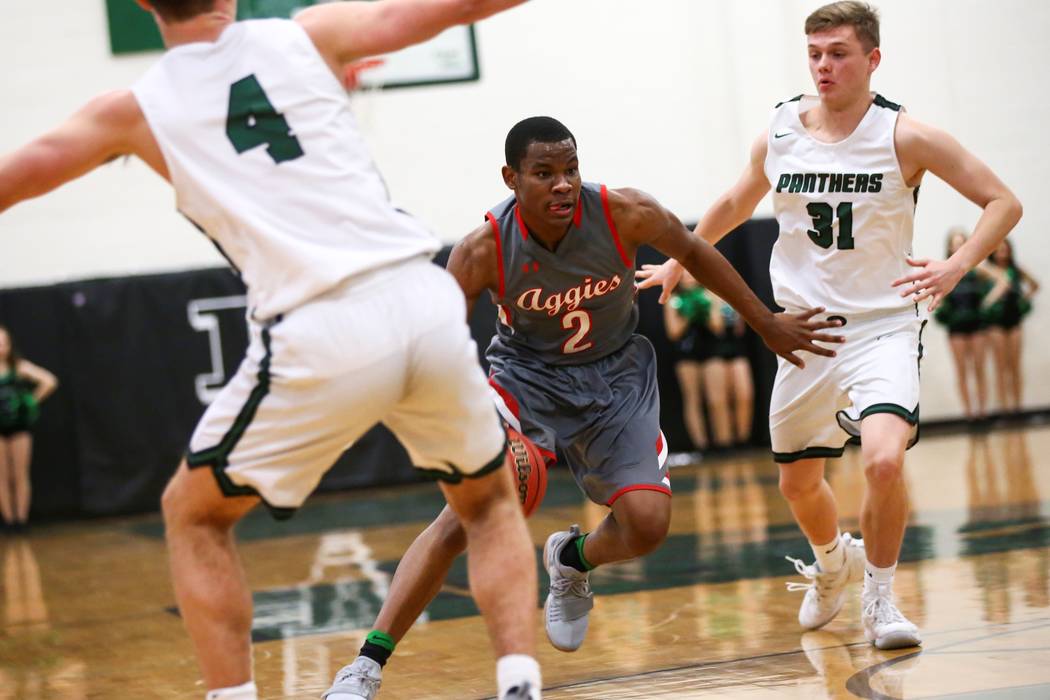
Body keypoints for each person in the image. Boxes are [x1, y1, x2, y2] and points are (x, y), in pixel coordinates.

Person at [0, 2, 545, 699]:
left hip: (319, 322)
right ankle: (519, 684)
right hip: (421, 296)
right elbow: (440, 10)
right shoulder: (309, 34)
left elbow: (17, 176)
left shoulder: (130, 111)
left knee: (194, 515)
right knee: (489, 502)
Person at [324, 115, 845, 699]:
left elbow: (695, 250)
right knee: (476, 511)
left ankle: (571, 558)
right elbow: (439, 339)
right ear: (512, 178)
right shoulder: (482, 249)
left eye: (570, 169)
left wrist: (766, 322)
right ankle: (366, 665)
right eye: (544, 173)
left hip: (615, 378)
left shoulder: (625, 212)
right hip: (525, 380)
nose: (563, 184)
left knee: (648, 526)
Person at [639, 1, 1022, 650]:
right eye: (814, 53)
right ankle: (831, 560)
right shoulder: (781, 128)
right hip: (803, 332)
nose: (824, 65)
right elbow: (737, 200)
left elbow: (1002, 202)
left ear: (872, 59)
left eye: (838, 52)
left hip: (883, 328)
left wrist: (957, 266)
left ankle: (881, 599)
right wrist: (681, 261)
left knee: (880, 462)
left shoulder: (906, 135)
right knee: (798, 483)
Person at [931, 228, 994, 421]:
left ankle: (982, 412)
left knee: (979, 368)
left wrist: (987, 302)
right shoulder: (943, 269)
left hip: (977, 325)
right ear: (949, 246)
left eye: (961, 242)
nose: (958, 246)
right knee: (962, 371)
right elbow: (934, 292)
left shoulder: (977, 268)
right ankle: (969, 414)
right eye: (955, 242)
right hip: (956, 327)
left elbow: (1002, 281)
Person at [0, 326, 57, 532]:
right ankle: (8, 520)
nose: (1, 347)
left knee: (20, 473)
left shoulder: (18, 367)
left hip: (19, 427)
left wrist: (31, 401)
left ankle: (21, 520)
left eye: (4, 342)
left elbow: (49, 381)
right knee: (2, 476)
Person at [982, 239, 1038, 415]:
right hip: (995, 323)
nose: (1002, 253)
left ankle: (1017, 407)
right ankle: (1004, 408)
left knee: (1015, 365)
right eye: (998, 250)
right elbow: (983, 298)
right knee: (1000, 366)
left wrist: (1024, 300)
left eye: (1005, 250)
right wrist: (991, 298)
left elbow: (1035, 285)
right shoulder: (988, 271)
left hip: (1014, 321)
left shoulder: (1015, 270)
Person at [663, 274, 713, 452]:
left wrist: (706, 307)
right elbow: (673, 333)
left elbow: (717, 327)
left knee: (714, 398)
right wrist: (688, 314)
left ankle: (721, 443)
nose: (688, 277)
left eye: (691, 273)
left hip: (710, 351)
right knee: (693, 398)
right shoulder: (674, 300)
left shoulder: (708, 294)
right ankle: (701, 445)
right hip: (686, 354)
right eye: (682, 274)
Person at [701, 292, 755, 449]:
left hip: (736, 348)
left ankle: (743, 440)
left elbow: (740, 328)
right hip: (713, 349)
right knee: (719, 400)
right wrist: (715, 302)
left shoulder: (729, 293)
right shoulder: (701, 297)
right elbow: (716, 325)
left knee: (744, 395)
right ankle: (724, 442)